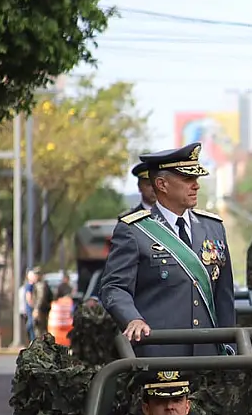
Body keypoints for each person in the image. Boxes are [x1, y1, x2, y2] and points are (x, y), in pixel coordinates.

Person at [100, 143, 237, 357]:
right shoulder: (134, 230)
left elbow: (224, 296)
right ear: (162, 184)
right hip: (160, 352)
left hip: (209, 354)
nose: (196, 186)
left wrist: (230, 346)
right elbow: (114, 287)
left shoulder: (213, 227)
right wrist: (132, 318)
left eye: (196, 179)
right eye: (187, 179)